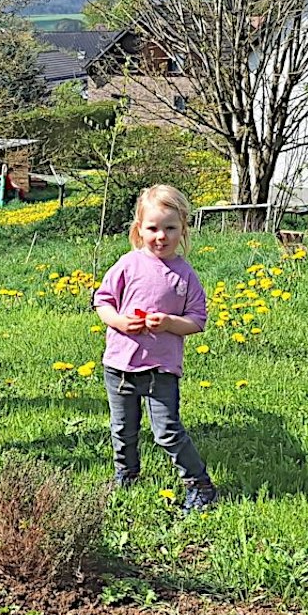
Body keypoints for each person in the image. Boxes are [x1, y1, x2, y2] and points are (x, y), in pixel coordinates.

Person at [92, 184, 218, 512]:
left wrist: (168, 324)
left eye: (170, 228)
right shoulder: (127, 265)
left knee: (167, 431)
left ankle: (199, 484)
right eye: (152, 228)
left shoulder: (185, 275)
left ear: (183, 230)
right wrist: (119, 322)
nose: (161, 236)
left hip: (161, 368)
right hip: (120, 364)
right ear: (139, 230)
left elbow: (197, 320)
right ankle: (127, 475)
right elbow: (102, 301)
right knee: (123, 429)